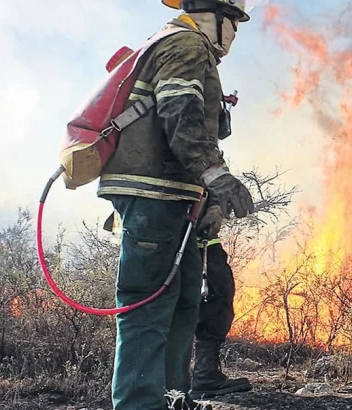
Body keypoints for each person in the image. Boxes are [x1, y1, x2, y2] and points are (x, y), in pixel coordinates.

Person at [96, 1, 254, 408]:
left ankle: (171, 397)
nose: (235, 35)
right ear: (216, 18)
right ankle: (139, 403)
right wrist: (215, 175)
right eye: (234, 24)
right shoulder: (186, 44)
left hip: (174, 195)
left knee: (184, 300)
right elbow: (178, 112)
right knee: (147, 304)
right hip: (153, 194)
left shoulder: (178, 45)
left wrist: (205, 197)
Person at [191, 204, 253, 398]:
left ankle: (195, 375)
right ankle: (203, 374)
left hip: (196, 235)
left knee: (214, 294)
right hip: (183, 234)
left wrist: (213, 206)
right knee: (215, 298)